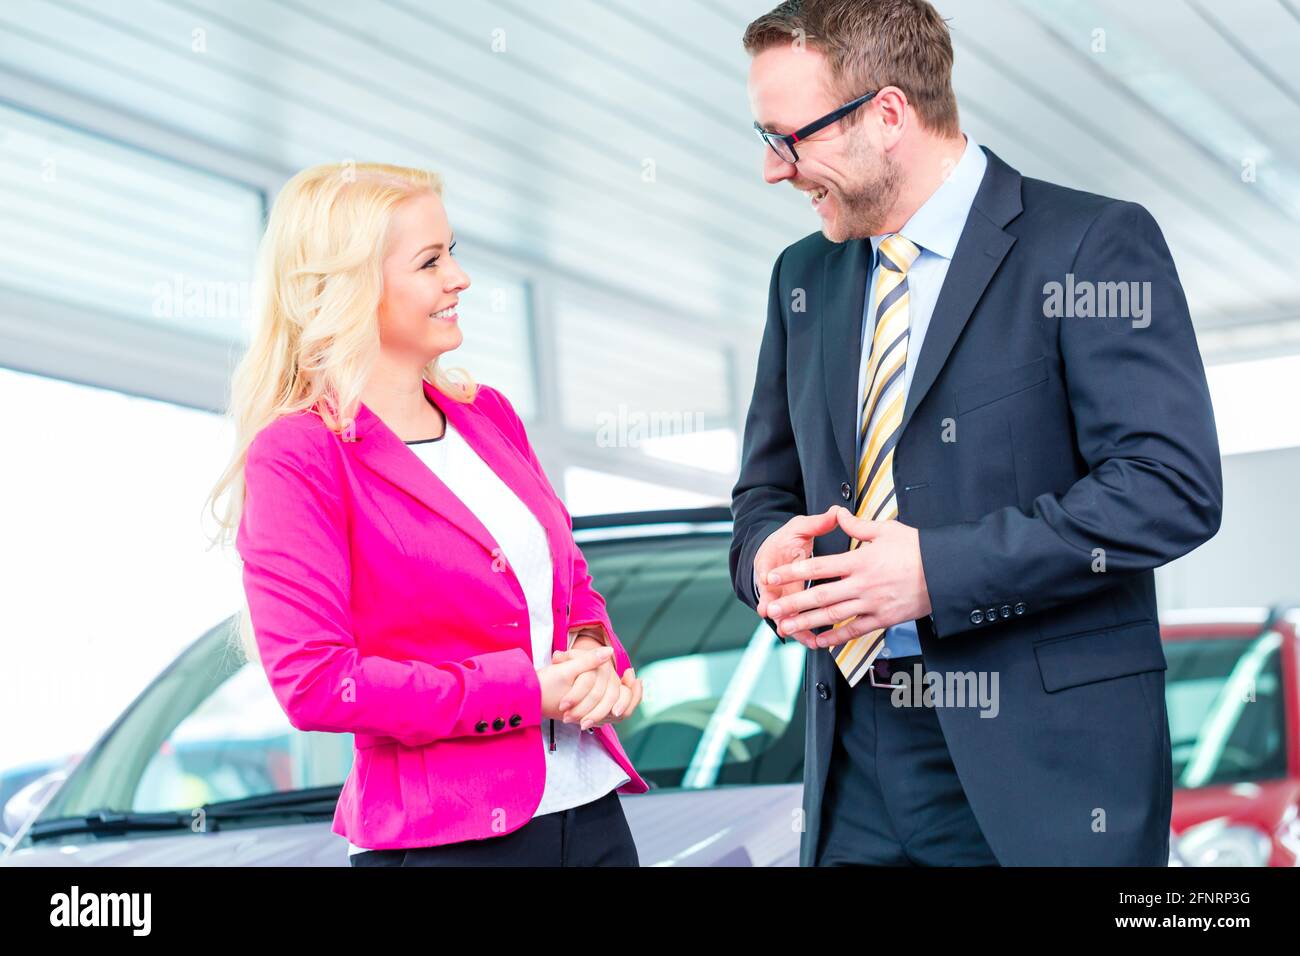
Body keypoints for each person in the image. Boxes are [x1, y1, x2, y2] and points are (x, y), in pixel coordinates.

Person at [730, 0, 1222, 866]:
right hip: (854, 759)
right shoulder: (801, 277)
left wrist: (935, 572)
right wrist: (766, 555)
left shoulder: (1090, 246)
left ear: (887, 115)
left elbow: (1166, 488)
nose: (776, 172)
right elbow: (763, 493)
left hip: (1043, 770)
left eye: (788, 138)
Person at [206, 162, 648, 866]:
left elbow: (570, 585)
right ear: (352, 288)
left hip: (590, 814)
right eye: (430, 261)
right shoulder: (298, 455)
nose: (459, 279)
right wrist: (526, 694)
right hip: (450, 841)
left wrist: (595, 653)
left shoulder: (488, 416)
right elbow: (318, 682)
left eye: (453, 253)